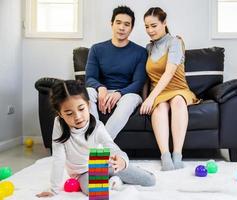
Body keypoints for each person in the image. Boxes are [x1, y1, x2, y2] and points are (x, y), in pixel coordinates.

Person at [36, 80, 155, 197]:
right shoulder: (58, 124)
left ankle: (116, 176)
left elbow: (112, 147)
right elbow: (59, 157)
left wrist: (122, 161)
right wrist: (54, 189)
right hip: (82, 172)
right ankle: (114, 179)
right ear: (60, 114)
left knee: (149, 181)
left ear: (88, 105)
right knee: (96, 192)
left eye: (81, 109)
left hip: (103, 163)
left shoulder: (98, 126)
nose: (77, 117)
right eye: (69, 113)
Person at [140, 7, 200, 171]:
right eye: (146, 26)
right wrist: (146, 98)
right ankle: (165, 156)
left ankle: (177, 155)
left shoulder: (175, 41)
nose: (150, 30)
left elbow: (169, 72)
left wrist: (152, 97)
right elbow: (146, 78)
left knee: (178, 102)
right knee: (159, 109)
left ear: (164, 23)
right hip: (159, 93)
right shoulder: (148, 48)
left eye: (154, 25)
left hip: (178, 88)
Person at [86, 6, 147, 140]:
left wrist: (119, 93)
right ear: (111, 24)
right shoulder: (97, 49)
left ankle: (98, 143)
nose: (122, 27)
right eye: (118, 22)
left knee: (131, 99)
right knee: (88, 92)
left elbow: (138, 83)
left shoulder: (140, 52)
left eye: (126, 24)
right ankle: (95, 136)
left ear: (131, 28)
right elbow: (90, 77)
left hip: (127, 94)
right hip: (103, 91)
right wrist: (101, 88)